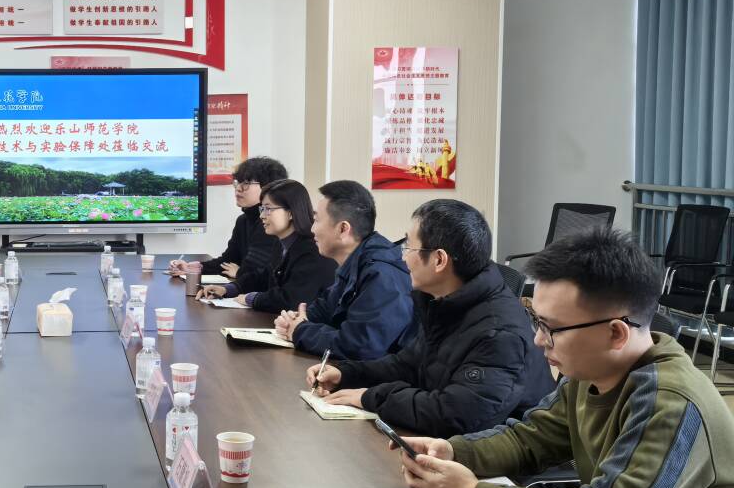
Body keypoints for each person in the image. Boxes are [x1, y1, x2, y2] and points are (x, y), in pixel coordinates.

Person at [394, 228, 734, 488]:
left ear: (616, 333)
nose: (539, 340)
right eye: (536, 321)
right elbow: (531, 438)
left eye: (551, 327)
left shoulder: (671, 401)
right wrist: (454, 450)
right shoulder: (590, 372)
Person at [306, 199, 554, 435]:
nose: (403, 257)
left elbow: (454, 416)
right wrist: (345, 374)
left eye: (409, 247)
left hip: (493, 457)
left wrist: (370, 397)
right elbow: (408, 365)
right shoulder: (444, 301)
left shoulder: (499, 334)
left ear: (439, 260)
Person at [273, 180, 416, 360]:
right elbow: (325, 310)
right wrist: (294, 320)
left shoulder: (382, 273)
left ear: (343, 229)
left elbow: (360, 346)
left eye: (316, 220)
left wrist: (300, 330)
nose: (312, 229)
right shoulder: (356, 262)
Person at [194, 179, 335, 313]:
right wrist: (228, 289)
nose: (262, 215)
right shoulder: (281, 243)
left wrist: (251, 298)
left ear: (291, 213)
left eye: (268, 209)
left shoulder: (312, 250)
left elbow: (291, 299)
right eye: (262, 208)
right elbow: (264, 277)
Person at [169, 156, 288, 281]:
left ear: (268, 187)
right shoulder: (243, 220)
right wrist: (193, 268)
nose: (238, 188)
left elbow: (256, 271)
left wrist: (239, 272)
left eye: (246, 183)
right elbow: (228, 261)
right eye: (237, 182)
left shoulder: (270, 222)